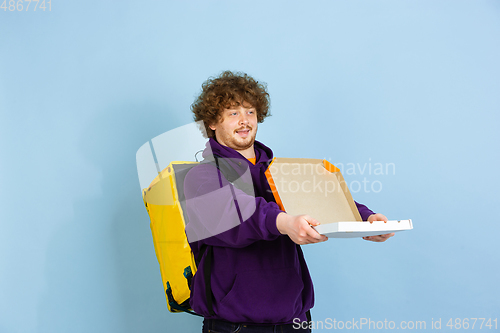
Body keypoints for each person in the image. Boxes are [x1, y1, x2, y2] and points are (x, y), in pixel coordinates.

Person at [183, 71, 394, 333]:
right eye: (233, 113)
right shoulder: (200, 176)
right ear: (213, 122)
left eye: (250, 111)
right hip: (234, 324)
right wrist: (283, 221)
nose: (244, 120)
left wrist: (366, 220)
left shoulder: (279, 171)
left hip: (294, 320)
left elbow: (325, 197)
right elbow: (236, 213)